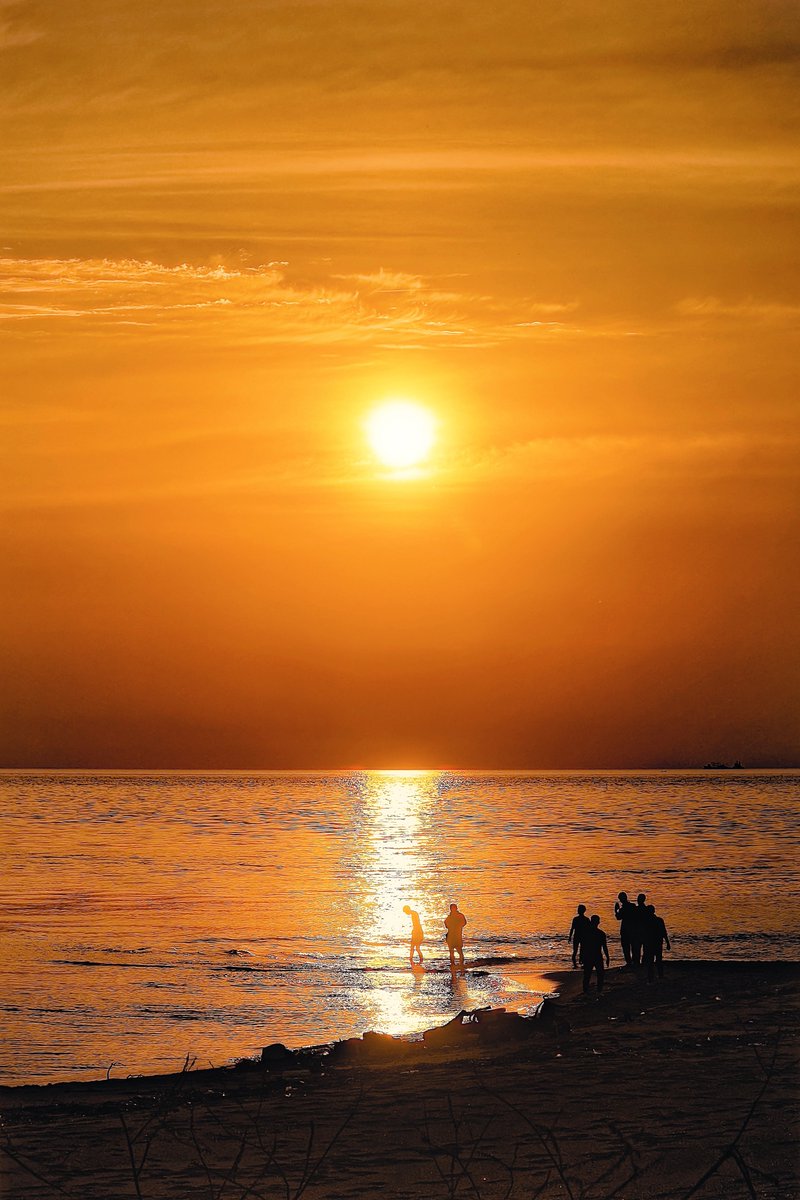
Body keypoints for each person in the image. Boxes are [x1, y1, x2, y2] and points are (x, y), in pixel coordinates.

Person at [581, 914, 610, 995]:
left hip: (589, 956)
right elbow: (604, 947)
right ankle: (598, 991)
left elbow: (583, 946)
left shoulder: (587, 933)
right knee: (599, 974)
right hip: (597, 956)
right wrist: (607, 957)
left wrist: (581, 956)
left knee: (587, 975)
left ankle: (586, 991)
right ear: (598, 922)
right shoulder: (601, 933)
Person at [642, 904, 671, 982]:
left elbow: (643, 933)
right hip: (657, 943)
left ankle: (651, 977)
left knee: (650, 961)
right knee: (658, 960)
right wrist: (667, 942)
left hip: (650, 943)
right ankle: (660, 975)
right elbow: (664, 932)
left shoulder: (646, 922)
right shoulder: (659, 920)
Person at [613, 891, 637, 966]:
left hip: (625, 930)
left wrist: (616, 910)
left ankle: (629, 962)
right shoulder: (632, 906)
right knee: (633, 947)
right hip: (633, 929)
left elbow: (618, 917)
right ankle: (634, 961)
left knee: (626, 947)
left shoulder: (623, 909)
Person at [444, 902, 467, 971]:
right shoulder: (451, 916)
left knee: (459, 951)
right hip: (452, 936)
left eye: (453, 908)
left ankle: (460, 964)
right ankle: (454, 965)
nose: (452, 910)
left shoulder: (458, 916)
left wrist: (457, 926)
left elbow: (464, 923)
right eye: (452, 908)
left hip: (456, 936)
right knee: (453, 952)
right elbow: (446, 925)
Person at [567, 904, 591, 968]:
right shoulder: (585, 919)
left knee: (578, 950)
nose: (578, 910)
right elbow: (572, 928)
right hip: (581, 936)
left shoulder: (577, 919)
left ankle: (576, 964)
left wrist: (570, 937)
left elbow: (572, 928)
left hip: (580, 936)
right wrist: (570, 937)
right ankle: (579, 963)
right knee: (580, 950)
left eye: (579, 909)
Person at [630, 892, 648, 966]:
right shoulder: (646, 909)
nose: (637, 900)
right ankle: (643, 963)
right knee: (644, 949)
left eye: (638, 899)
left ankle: (637, 963)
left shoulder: (636, 909)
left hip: (638, 932)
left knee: (636, 949)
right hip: (643, 932)